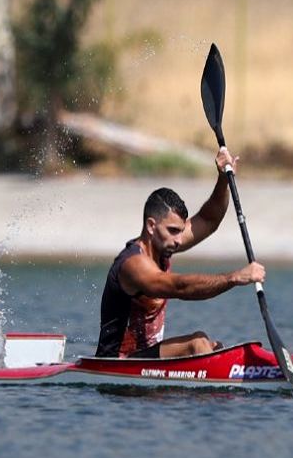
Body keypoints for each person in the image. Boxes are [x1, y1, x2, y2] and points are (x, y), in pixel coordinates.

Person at [95, 147, 266, 358]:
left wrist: (223, 179)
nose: (179, 240)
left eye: (181, 232)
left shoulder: (164, 244)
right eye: (173, 231)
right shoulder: (133, 265)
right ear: (151, 226)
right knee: (197, 343)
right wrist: (234, 278)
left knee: (213, 347)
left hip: (145, 364)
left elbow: (209, 220)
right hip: (116, 365)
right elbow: (180, 287)